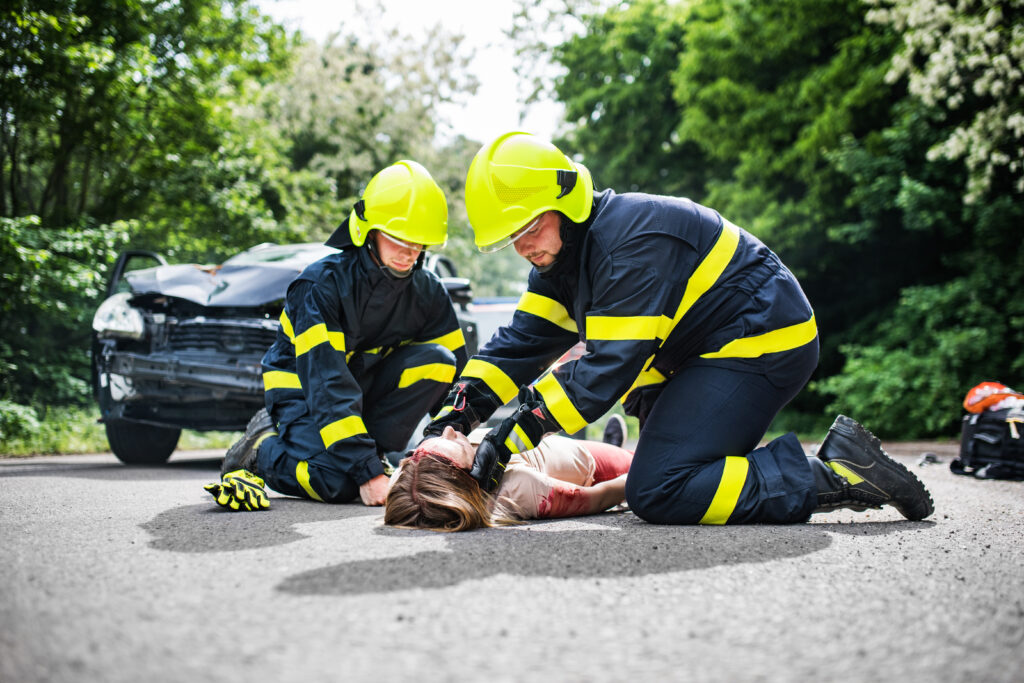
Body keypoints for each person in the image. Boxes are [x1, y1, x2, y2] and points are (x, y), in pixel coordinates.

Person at [423, 131, 934, 526]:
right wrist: (459, 411)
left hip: (759, 343)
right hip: (702, 354)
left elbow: (607, 367)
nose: (522, 246)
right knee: (668, 470)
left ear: (565, 202)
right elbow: (520, 344)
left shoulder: (628, 242)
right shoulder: (563, 260)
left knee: (660, 487)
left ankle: (839, 473)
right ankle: (725, 464)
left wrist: (516, 429)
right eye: (511, 236)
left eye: (529, 227)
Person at [205, 160, 468, 511]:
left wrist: (460, 446)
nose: (409, 251)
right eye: (399, 238)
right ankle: (259, 452)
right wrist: (366, 473)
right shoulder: (320, 286)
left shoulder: (428, 291)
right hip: (303, 392)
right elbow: (326, 381)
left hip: (358, 389)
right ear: (368, 230)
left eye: (420, 243)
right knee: (337, 482)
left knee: (439, 362)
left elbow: (459, 376)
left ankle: (369, 453)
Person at [385, 423, 634, 531]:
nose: (449, 430)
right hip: (588, 463)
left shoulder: (408, 478)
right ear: (473, 476)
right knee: (640, 462)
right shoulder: (520, 489)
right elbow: (599, 498)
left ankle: (613, 445)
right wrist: (638, 478)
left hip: (549, 447)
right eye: (456, 444)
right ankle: (620, 452)